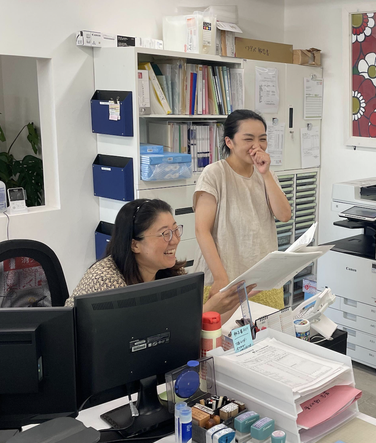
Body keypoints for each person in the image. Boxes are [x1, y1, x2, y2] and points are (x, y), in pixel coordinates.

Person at [66, 198, 247, 314]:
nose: (175, 240)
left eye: (176, 230)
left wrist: (231, 303)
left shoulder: (170, 271)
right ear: (135, 244)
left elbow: (182, 322)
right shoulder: (107, 281)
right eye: (165, 234)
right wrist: (209, 310)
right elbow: (138, 337)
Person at [192, 109, 292, 311]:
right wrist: (221, 279)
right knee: (224, 331)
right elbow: (202, 230)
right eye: (248, 139)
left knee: (267, 329)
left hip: (263, 281)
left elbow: (284, 215)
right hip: (225, 280)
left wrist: (265, 174)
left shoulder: (267, 174)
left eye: (262, 139)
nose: (257, 146)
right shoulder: (214, 173)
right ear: (229, 142)